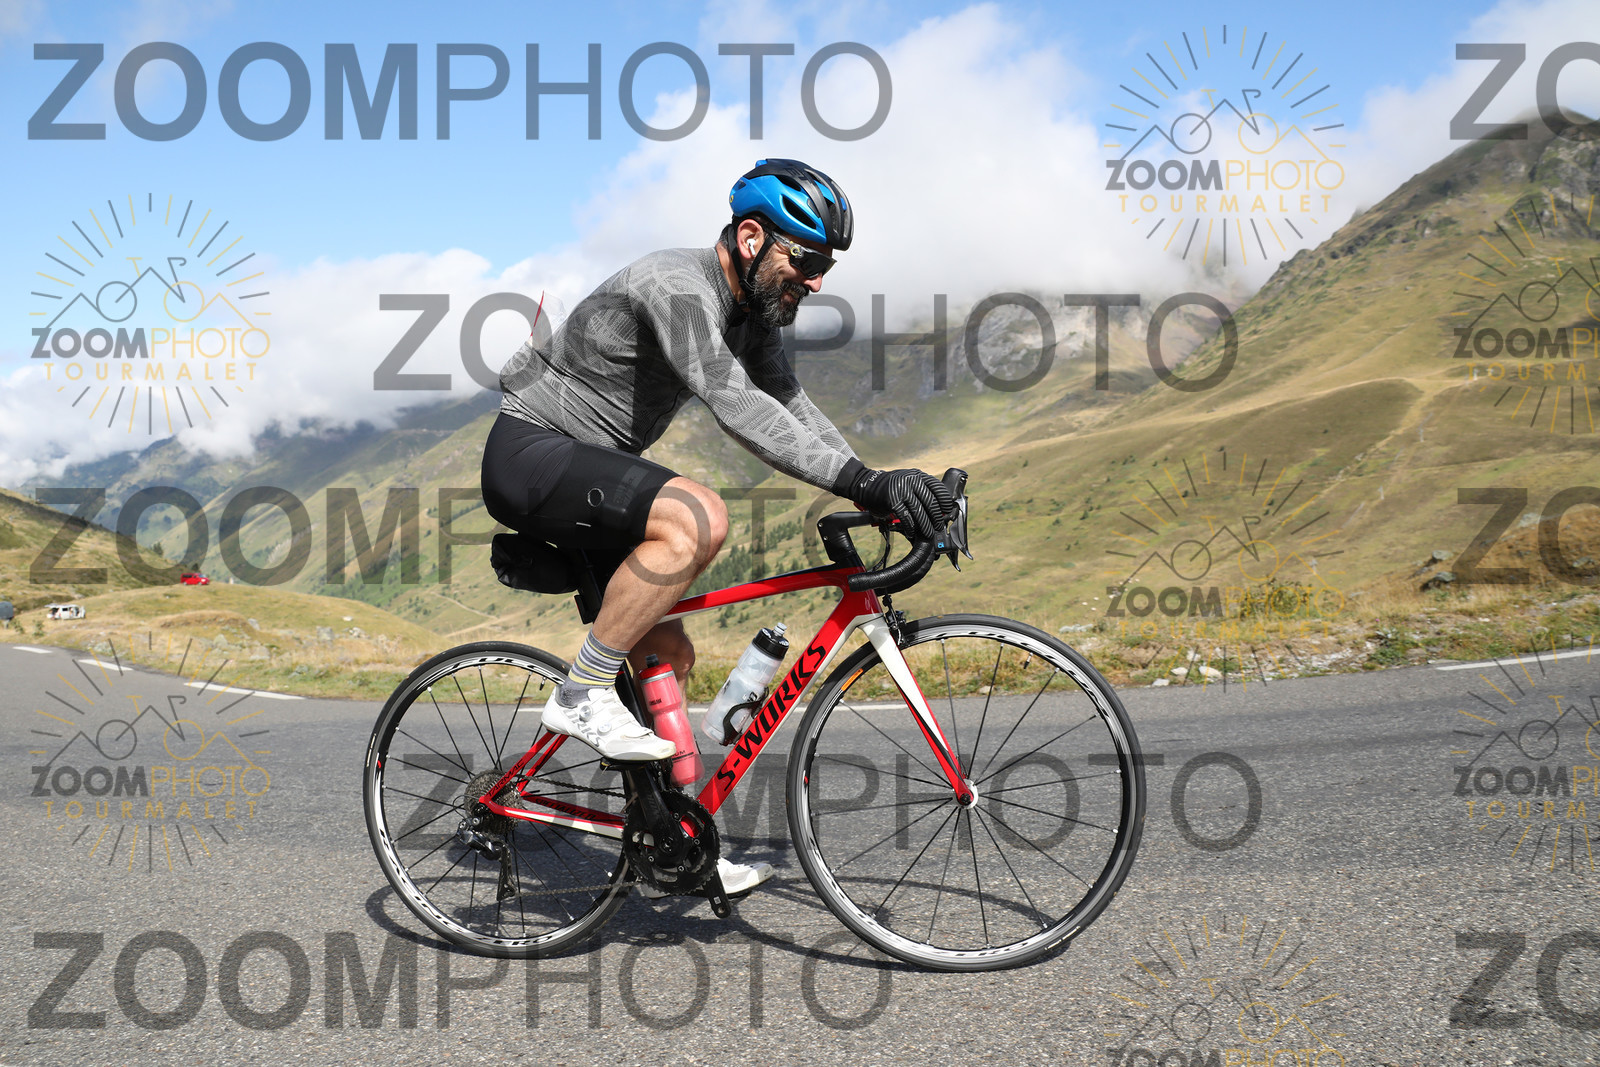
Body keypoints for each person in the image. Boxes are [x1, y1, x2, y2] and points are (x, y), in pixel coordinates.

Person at [482, 158, 955, 895]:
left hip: (593, 475)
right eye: (806, 260)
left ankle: (674, 838)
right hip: (532, 454)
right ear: (752, 238)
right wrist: (862, 482)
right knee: (699, 517)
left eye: (826, 267)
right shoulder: (676, 286)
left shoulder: (750, 312)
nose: (816, 281)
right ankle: (579, 696)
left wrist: (875, 485)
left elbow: (787, 401)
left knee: (667, 653)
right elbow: (733, 400)